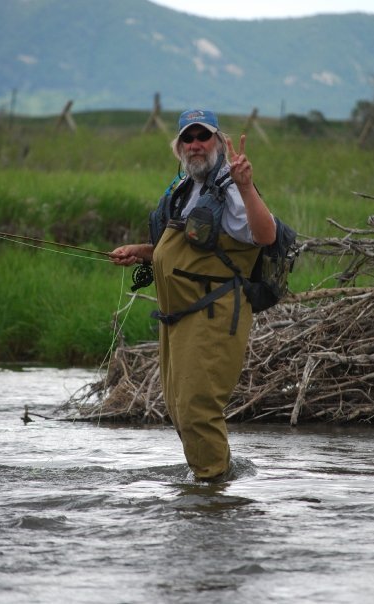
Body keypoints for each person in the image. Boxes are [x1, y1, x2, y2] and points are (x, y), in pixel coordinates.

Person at [110, 109, 276, 481]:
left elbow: (266, 237)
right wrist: (142, 250)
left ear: (218, 142)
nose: (196, 144)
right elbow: (184, 250)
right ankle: (214, 481)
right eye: (189, 138)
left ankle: (211, 493)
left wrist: (247, 186)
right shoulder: (185, 187)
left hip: (214, 313)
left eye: (204, 137)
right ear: (179, 146)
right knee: (179, 408)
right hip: (178, 318)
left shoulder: (232, 187)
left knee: (198, 408)